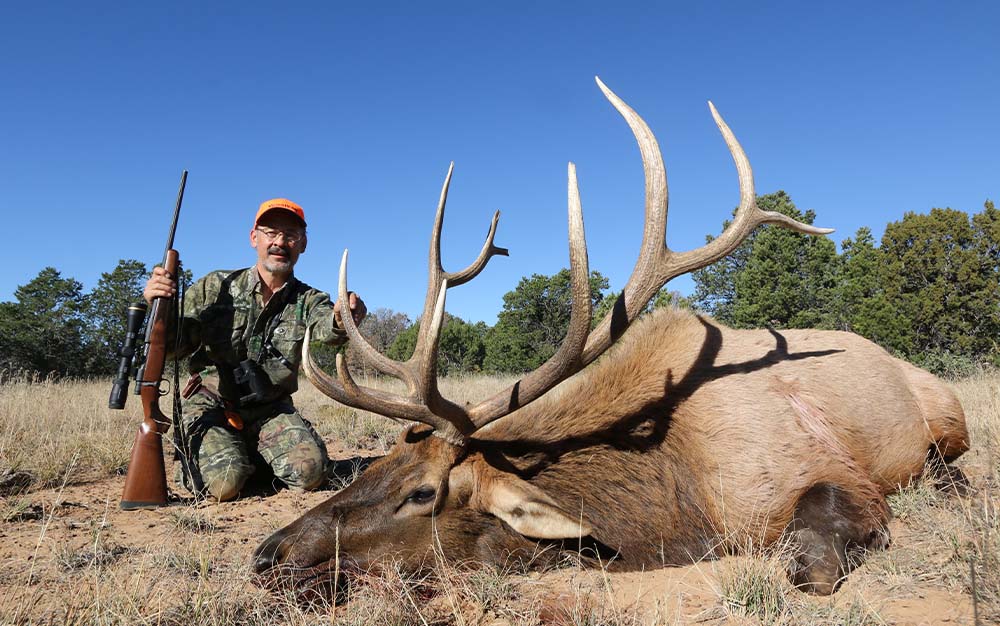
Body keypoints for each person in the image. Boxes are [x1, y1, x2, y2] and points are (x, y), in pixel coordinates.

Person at [143, 198, 366, 501]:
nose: (280, 242)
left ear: (303, 244)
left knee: (310, 474)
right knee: (225, 484)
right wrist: (158, 308)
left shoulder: (309, 300)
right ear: (254, 238)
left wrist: (343, 318)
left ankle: (251, 455)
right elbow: (173, 347)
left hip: (270, 412)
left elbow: (329, 330)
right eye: (271, 233)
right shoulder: (214, 286)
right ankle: (224, 459)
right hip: (211, 407)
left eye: (290, 235)